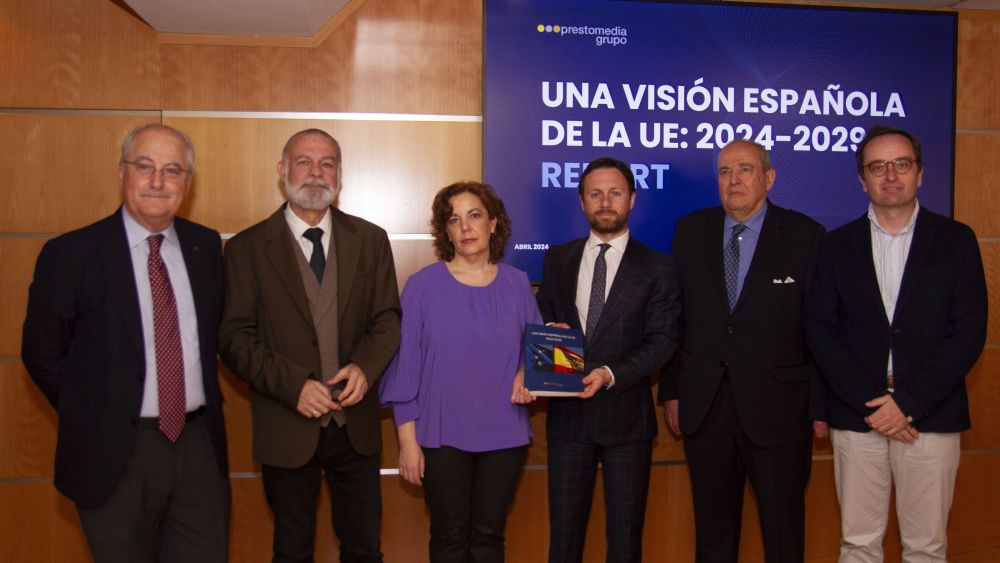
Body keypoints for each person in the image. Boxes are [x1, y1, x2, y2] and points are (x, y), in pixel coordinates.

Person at [21, 123, 230, 562]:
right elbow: (42, 352)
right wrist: (94, 411)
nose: (158, 182)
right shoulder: (72, 254)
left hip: (197, 447)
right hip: (115, 451)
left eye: (172, 170)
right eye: (145, 166)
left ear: (187, 184)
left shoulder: (205, 247)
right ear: (122, 174)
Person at [217, 129, 401, 563]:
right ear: (282, 172)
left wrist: (364, 367)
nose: (316, 173)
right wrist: (294, 385)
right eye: (304, 162)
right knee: (292, 549)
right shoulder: (246, 248)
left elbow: (387, 319)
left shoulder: (371, 240)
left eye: (328, 163)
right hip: (287, 425)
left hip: (354, 426)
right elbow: (234, 336)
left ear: (340, 175)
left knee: (364, 549)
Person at [806, 126, 986, 562]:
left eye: (901, 164)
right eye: (877, 166)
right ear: (861, 180)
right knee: (859, 543)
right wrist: (874, 405)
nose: (890, 175)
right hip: (858, 414)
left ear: (920, 173)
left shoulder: (956, 240)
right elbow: (820, 331)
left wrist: (905, 403)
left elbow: (968, 333)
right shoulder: (834, 246)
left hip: (930, 413)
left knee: (926, 546)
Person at [659, 139, 826, 563]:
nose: (734, 180)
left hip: (780, 410)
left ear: (768, 179)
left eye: (745, 169)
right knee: (713, 536)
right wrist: (673, 392)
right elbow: (677, 320)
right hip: (705, 403)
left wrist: (821, 406)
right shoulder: (690, 230)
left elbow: (819, 327)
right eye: (725, 171)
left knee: (783, 533)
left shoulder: (806, 235)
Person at [380, 181, 541, 562]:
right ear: (446, 230)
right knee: (449, 538)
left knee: (489, 538)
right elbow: (406, 369)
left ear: (493, 224)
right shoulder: (422, 286)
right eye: (454, 219)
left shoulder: (518, 285)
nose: (466, 227)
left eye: (474, 216)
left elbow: (536, 355)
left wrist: (526, 371)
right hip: (441, 437)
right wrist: (407, 442)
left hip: (505, 434)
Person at [536, 157, 680, 563]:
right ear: (582, 202)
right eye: (595, 194)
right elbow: (547, 322)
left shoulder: (658, 267)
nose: (605, 202)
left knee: (625, 542)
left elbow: (664, 340)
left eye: (614, 193)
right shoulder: (557, 260)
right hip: (568, 421)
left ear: (632, 199)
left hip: (627, 422)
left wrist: (610, 373)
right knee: (563, 542)